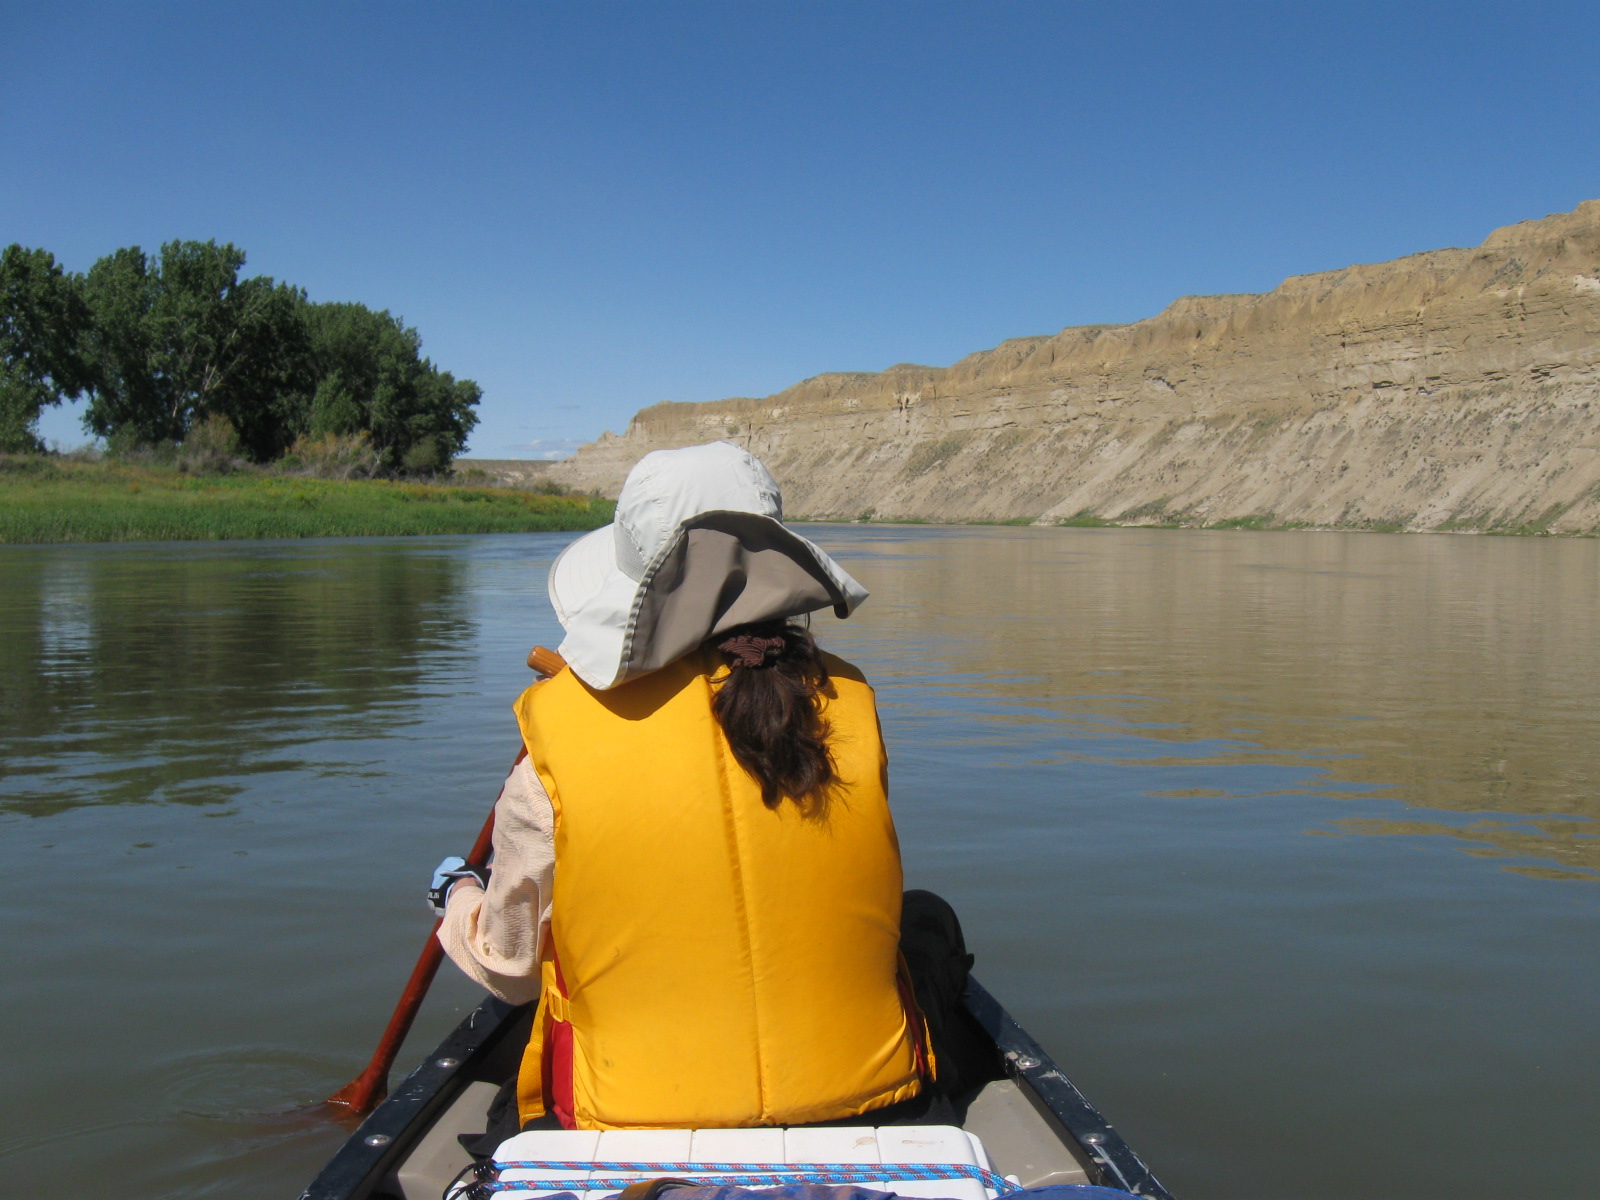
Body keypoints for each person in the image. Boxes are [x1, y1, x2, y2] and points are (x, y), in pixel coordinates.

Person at [434, 441, 985, 1135]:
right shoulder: (850, 698)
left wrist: (458, 895)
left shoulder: (558, 728)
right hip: (873, 1099)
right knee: (926, 915)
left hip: (624, 1120)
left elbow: (509, 972)